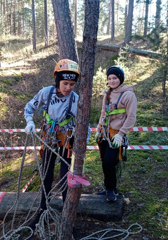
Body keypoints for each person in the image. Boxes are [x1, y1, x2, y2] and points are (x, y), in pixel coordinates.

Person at [24, 59, 91, 229]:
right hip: (49, 139)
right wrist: (29, 122)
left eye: (71, 84)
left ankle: (67, 217)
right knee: (46, 175)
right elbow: (29, 107)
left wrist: (83, 143)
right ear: (57, 80)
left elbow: (85, 124)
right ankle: (42, 211)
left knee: (64, 179)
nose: (68, 87)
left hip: (67, 142)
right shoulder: (46, 93)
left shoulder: (75, 99)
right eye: (65, 83)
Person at [95, 65, 137, 202]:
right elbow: (103, 113)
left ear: (120, 79)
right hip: (105, 133)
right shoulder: (107, 94)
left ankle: (112, 189)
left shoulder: (128, 95)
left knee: (110, 161)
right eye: (109, 78)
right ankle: (108, 187)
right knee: (104, 161)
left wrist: (121, 134)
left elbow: (131, 117)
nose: (112, 81)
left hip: (116, 135)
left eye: (115, 78)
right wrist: (99, 127)